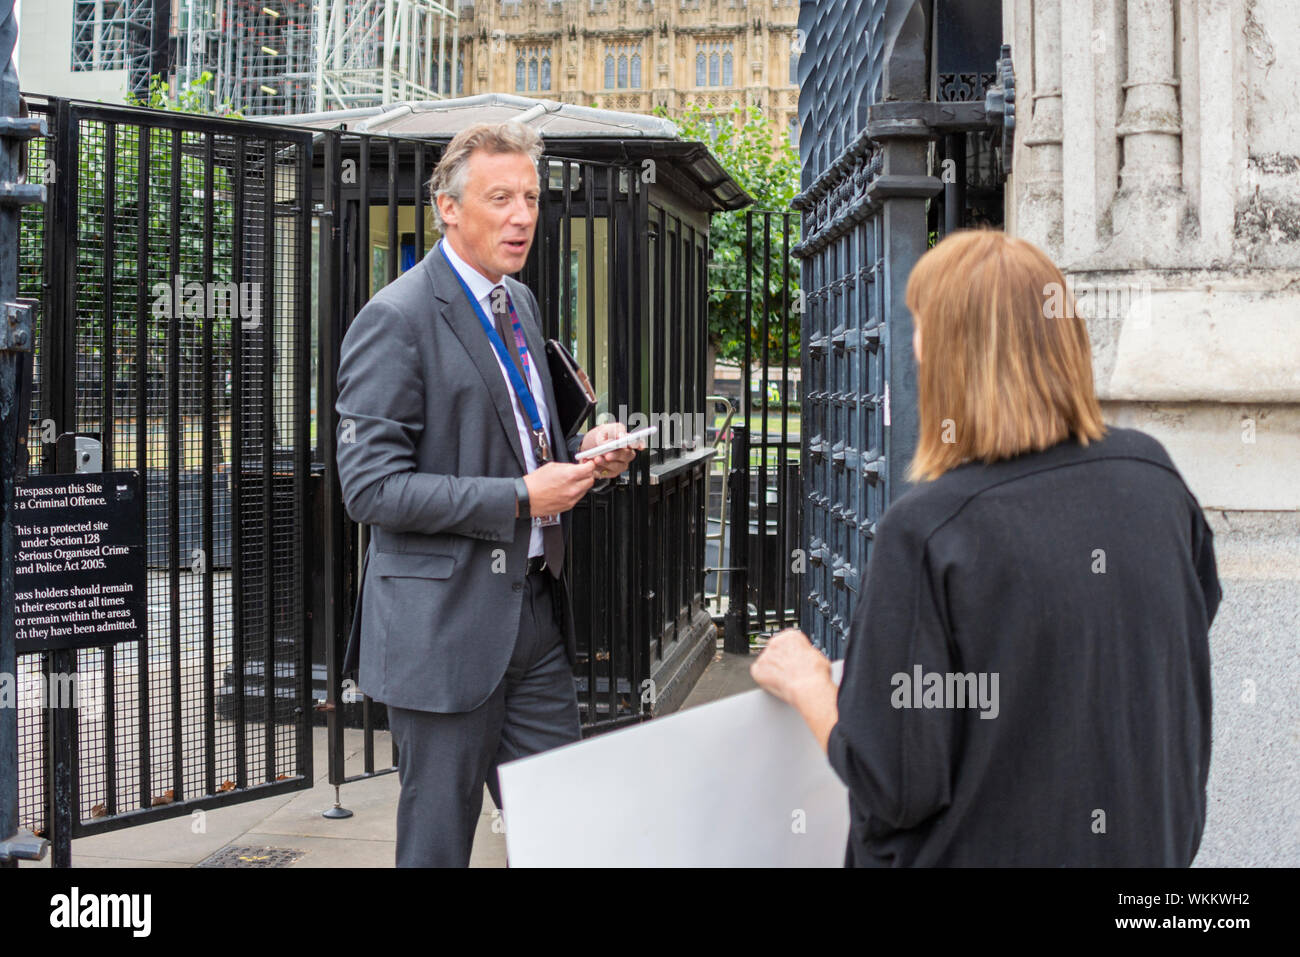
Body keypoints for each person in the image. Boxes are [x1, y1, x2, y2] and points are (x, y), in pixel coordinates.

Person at [751, 229, 1220, 866]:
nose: (912, 348)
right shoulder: (1153, 478)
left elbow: (895, 780)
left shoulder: (929, 530)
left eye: (922, 328)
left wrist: (808, 685)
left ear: (954, 355)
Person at [334, 121, 638, 867]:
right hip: (442, 633)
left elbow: (524, 441)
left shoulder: (520, 304)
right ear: (447, 206)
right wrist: (517, 497)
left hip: (532, 617)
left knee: (568, 835)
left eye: (531, 197)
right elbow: (370, 486)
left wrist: (583, 455)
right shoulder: (396, 318)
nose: (523, 215)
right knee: (437, 849)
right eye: (500, 197)